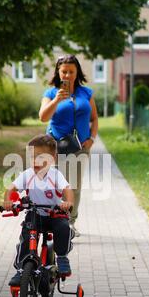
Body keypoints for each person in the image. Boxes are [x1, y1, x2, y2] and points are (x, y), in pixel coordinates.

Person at [3, 134, 75, 287]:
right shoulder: (27, 175)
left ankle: (62, 257)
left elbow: (67, 189)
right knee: (26, 237)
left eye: (41, 157)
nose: (35, 161)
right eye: (32, 157)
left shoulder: (56, 175)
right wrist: (8, 201)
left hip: (54, 213)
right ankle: (22, 269)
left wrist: (67, 202)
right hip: (35, 215)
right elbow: (12, 188)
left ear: (52, 159)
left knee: (63, 228)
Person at [39, 54, 98, 237]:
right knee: (55, 186)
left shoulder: (86, 93)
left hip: (80, 147)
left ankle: (70, 223)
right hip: (55, 147)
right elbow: (43, 117)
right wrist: (57, 100)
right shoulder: (50, 93)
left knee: (74, 187)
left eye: (71, 71)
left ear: (77, 72)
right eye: (64, 71)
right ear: (58, 72)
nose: (67, 75)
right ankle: (54, 222)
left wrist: (92, 139)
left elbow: (94, 118)